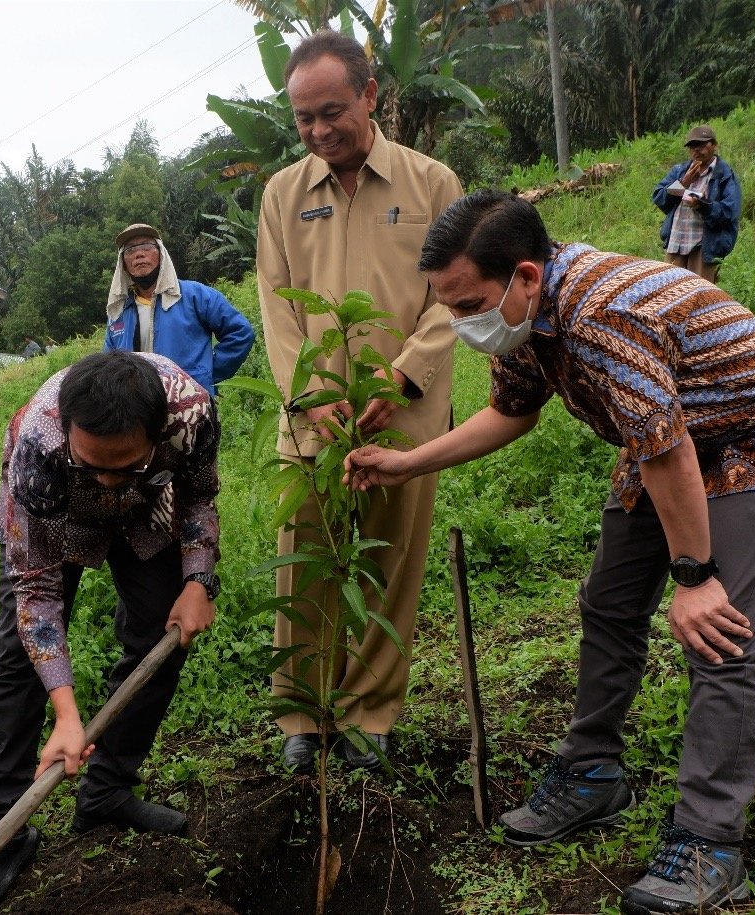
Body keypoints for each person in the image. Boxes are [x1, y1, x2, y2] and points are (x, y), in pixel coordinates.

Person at [346, 189, 755, 914]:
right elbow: (510, 413)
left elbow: (666, 451)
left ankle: (710, 839)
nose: (459, 322)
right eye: (447, 305)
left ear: (526, 275)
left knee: (719, 631)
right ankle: (592, 772)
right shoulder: (528, 320)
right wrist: (406, 463)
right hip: (670, 437)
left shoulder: (601, 311)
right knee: (608, 603)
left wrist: (694, 575)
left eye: (468, 302)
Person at [256, 30, 463, 771]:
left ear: (371, 95)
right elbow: (277, 308)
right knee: (305, 562)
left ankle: (370, 711)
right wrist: (309, 396)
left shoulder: (432, 183)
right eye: (304, 118)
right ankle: (303, 716)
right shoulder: (282, 194)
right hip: (314, 418)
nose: (318, 131)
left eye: (332, 111)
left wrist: (405, 376)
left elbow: (454, 294)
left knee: (389, 558)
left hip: (402, 414)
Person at [0, 350, 221, 915]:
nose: (104, 478)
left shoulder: (192, 416)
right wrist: (68, 713)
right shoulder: (40, 445)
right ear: (71, 434)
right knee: (18, 656)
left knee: (162, 634)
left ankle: (105, 791)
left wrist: (197, 579)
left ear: (157, 435)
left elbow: (198, 495)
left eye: (120, 462)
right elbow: (36, 591)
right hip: (54, 509)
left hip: (148, 505)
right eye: (93, 462)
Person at [106, 222, 255, 401]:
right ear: (123, 263)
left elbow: (240, 333)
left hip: (189, 404)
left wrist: (204, 375)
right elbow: (108, 364)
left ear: (161, 254)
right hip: (138, 410)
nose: (139, 254)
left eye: (146, 246)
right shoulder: (119, 312)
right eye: (130, 250)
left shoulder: (196, 296)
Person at [653, 125, 741, 283]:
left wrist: (703, 206)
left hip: (703, 247)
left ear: (714, 145)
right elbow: (659, 197)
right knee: (669, 292)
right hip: (676, 243)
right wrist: (683, 183)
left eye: (701, 145)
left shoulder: (724, 174)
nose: (696, 150)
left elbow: (730, 210)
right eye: (692, 146)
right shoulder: (680, 171)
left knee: (700, 297)